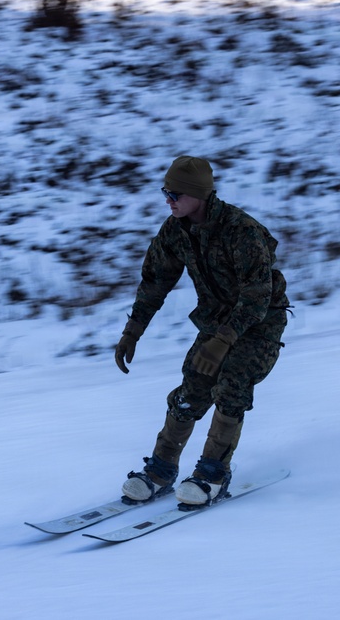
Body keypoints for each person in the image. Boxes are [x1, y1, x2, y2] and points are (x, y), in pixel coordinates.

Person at [115, 155, 290, 507]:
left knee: (231, 385)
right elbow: (154, 282)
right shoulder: (175, 231)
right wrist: (132, 331)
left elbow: (258, 297)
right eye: (166, 192)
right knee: (191, 389)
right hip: (216, 322)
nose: (169, 200)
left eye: (175, 193)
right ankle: (161, 471)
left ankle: (212, 474)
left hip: (259, 324)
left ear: (200, 195)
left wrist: (223, 342)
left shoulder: (242, 231)